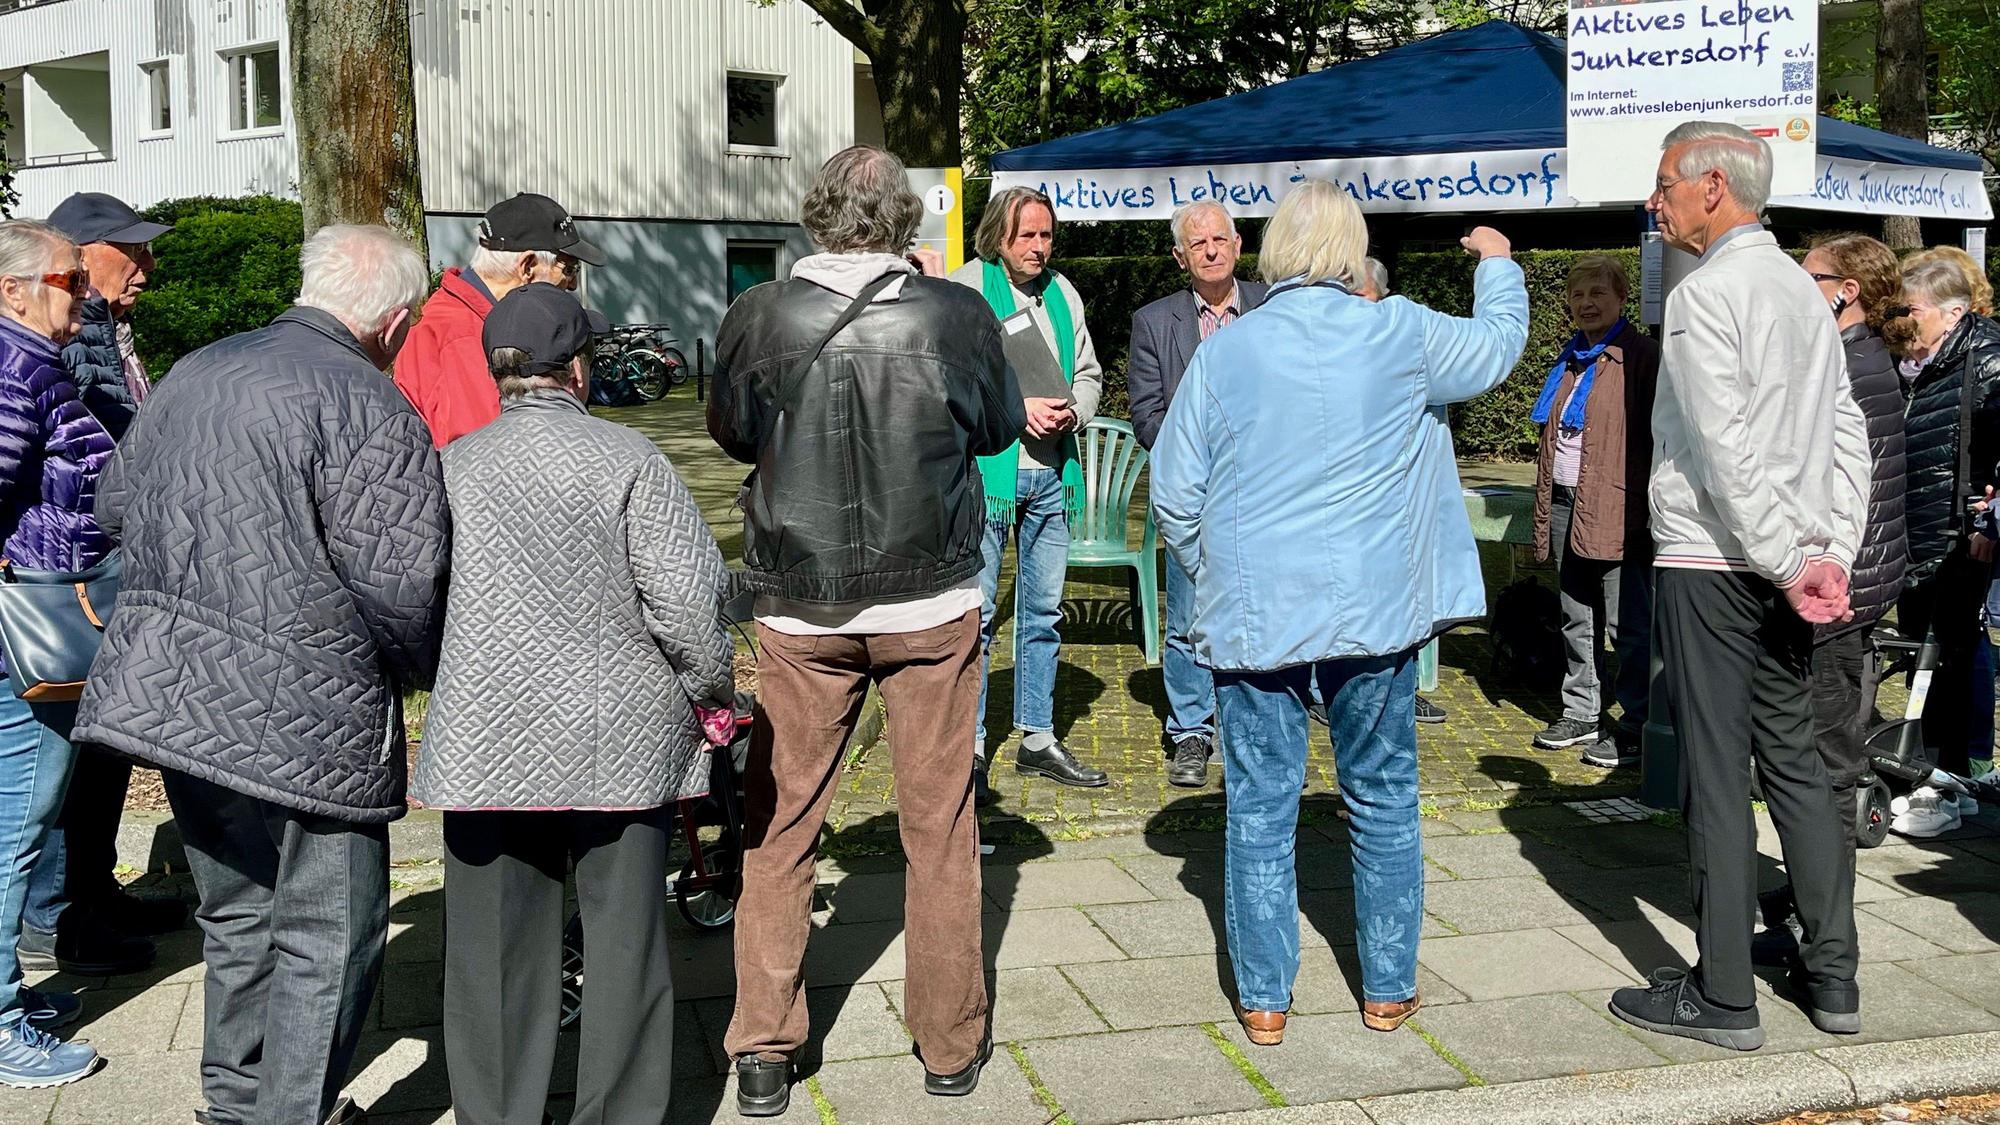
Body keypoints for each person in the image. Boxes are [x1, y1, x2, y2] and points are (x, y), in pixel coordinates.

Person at [74, 225, 450, 1125]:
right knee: (331, 933)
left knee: (238, 916)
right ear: (395, 321)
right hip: (310, 716)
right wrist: (416, 673)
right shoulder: (370, 401)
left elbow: (114, 505)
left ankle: (234, 1105)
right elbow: (405, 586)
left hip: (173, 694)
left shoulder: (200, 368)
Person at [1151, 180, 1528, 1045]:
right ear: (1351, 249)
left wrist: (1217, 569)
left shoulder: (1228, 351)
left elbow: (1174, 492)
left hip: (1257, 616)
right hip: (1375, 608)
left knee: (1259, 805)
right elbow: (1500, 347)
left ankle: (1264, 998)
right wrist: (1499, 266)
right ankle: (1389, 987)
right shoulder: (1399, 331)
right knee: (1386, 795)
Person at [709, 146, 1024, 1116]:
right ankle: (946, 1041)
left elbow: (729, 430)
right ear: (902, 224)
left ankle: (762, 1045)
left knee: (782, 822)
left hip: (801, 604)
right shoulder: (954, 313)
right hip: (927, 597)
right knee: (939, 825)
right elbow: (998, 426)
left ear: (816, 216)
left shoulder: (758, 315)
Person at [415, 282, 733, 1125]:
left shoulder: (450, 465)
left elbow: (416, 597)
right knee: (624, 947)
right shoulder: (631, 461)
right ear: (579, 370)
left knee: (489, 957)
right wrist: (715, 694)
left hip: (488, 740)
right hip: (620, 740)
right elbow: (690, 605)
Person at [1613, 121, 1869, 1050]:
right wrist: (1824, 548)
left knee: (1717, 774)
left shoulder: (1705, 292)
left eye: (1664, 185)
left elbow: (1721, 446)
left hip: (1716, 559)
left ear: (1711, 185)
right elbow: (1845, 432)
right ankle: (1833, 970)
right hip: (1790, 557)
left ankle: (1725, 994)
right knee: (1796, 759)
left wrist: (1788, 553)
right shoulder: (1805, 295)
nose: (1655, 201)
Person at [21, 192, 181, 982]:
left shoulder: (100, 331)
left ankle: (91, 892)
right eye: (132, 250)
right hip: (72, 577)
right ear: (79, 256)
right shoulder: (65, 341)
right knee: (72, 750)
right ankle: (59, 919)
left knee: (103, 743)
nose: (148, 266)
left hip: (103, 570)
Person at [1754, 233, 1910, 959]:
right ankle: (1818, 900)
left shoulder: (1852, 367)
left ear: (1844, 289)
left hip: (1840, 594)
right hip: (1851, 585)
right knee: (1820, 755)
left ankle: (1825, 934)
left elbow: (1854, 493)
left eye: (1807, 273)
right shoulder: (1858, 359)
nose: (1795, 283)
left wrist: (1822, 577)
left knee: (1825, 761)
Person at [0, 219, 113, 1088]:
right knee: (13, 832)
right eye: (71, 280)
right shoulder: (14, 366)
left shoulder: (31, 361)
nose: (90, 291)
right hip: (27, 646)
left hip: (38, 632)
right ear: (15, 289)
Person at [950, 188, 1108, 795]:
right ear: (997, 237)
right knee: (980, 616)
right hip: (989, 475)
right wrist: (1018, 411)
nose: (1039, 248)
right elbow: (954, 380)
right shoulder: (967, 291)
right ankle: (971, 747)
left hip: (1051, 478)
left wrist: (1077, 413)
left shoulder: (1064, 294)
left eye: (1046, 236)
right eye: (1027, 237)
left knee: (1043, 614)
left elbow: (1090, 373)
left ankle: (1038, 737)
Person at [1126, 201, 1268, 787]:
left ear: (1238, 245)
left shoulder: (1272, 306)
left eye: (1219, 239)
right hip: (1193, 493)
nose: (1210, 250)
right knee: (1186, 615)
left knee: (1263, 606)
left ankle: (1255, 722)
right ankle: (1191, 730)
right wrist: (1198, 455)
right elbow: (1146, 414)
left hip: (1265, 490)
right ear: (1180, 256)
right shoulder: (1154, 322)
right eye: (1197, 243)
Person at [1527, 255, 1660, 769]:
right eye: (1578, 295)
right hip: (1565, 501)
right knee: (1574, 615)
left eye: (1598, 294)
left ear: (1622, 298)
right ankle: (1581, 711)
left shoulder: (1641, 356)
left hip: (1618, 504)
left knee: (1627, 623)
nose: (1586, 303)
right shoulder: (1570, 358)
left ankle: (1636, 723)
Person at [1887, 255, 2000, 835]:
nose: (1904, 319)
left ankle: (1948, 784)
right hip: (1915, 529)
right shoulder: (1918, 361)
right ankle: (1932, 772)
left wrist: (1989, 521)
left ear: (1953, 312)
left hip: (1960, 535)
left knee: (1950, 655)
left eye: (1913, 309)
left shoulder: (1987, 359)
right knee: (1923, 653)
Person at [394, 192, 605, 447]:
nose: (572, 285)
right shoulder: (464, 338)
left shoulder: (476, 321)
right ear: (527, 266)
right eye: (568, 269)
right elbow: (490, 452)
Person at [1360, 257, 1451, 727]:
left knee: (1401, 601)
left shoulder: (1408, 349)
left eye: (1362, 298)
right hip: (1353, 511)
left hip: (1399, 506)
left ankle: (1403, 691)